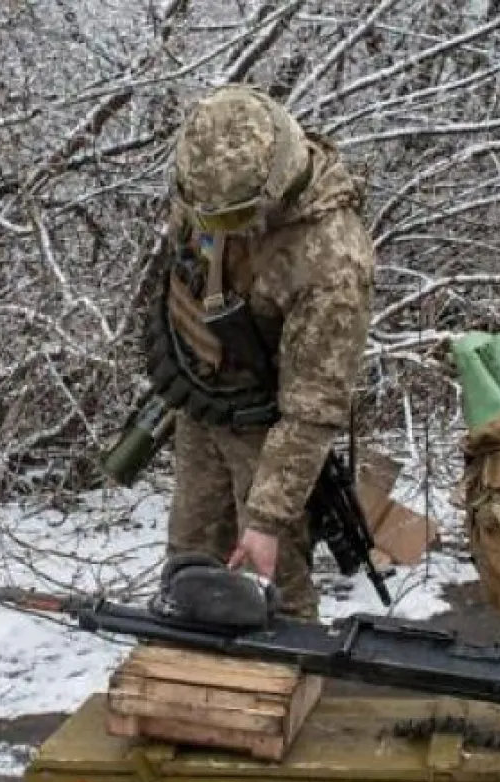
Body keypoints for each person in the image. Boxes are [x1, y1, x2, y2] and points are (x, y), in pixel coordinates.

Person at [145, 84, 373, 620]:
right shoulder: (209, 184)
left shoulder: (329, 260)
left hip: (270, 433)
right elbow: (185, 266)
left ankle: (277, 686)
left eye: (228, 220)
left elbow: (312, 409)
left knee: (272, 585)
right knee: (190, 560)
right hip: (203, 402)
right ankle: (191, 676)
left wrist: (267, 518)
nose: (210, 227)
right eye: (200, 212)